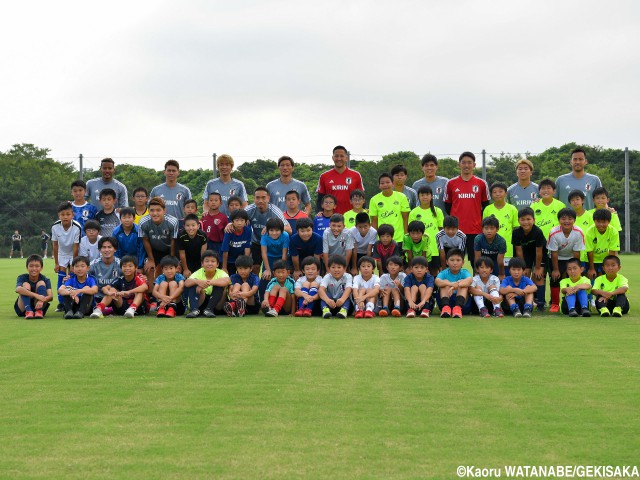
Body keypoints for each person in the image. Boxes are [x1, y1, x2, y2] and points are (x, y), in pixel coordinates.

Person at [445, 152, 490, 262]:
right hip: (456, 230)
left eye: (469, 163)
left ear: (474, 165)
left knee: (476, 261)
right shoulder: (451, 183)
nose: (466, 165)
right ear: (458, 164)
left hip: (475, 229)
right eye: (463, 162)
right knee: (454, 260)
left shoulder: (481, 183)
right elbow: (447, 205)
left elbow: (485, 206)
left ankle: (475, 279)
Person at [239, 187, 291, 275]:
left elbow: (289, 229)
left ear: (268, 198)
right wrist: (230, 224)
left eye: (263, 197)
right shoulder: (249, 209)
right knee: (255, 267)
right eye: (257, 198)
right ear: (254, 198)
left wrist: (270, 227)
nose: (260, 200)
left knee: (277, 268)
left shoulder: (274, 211)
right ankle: (255, 286)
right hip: (256, 241)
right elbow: (237, 218)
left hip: (271, 243)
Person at [547, 208, 586, 313]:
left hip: (571, 258)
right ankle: (555, 303)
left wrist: (575, 269)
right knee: (555, 279)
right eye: (563, 218)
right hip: (557, 258)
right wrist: (555, 270)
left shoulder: (578, 232)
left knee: (573, 279)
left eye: (570, 218)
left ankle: (575, 302)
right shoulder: (554, 232)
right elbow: (554, 252)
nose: (566, 221)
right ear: (559, 220)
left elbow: (576, 252)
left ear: (574, 220)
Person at [511, 207, 546, 310]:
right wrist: (524, 267)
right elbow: (518, 250)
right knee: (524, 275)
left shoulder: (538, 232)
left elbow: (539, 252)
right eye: (522, 219)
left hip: (539, 254)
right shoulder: (516, 232)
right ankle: (523, 301)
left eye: (528, 219)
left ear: (534, 220)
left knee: (538, 276)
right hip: (524, 254)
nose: (525, 222)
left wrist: (538, 267)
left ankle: (540, 303)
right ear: (518, 221)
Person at [139, 196, 179, 285]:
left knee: (173, 268)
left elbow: (174, 241)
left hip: (169, 250)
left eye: (158, 210)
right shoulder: (143, 222)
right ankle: (152, 295)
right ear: (148, 210)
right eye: (152, 210)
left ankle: (173, 292)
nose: (155, 213)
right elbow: (145, 240)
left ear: (164, 211)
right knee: (150, 269)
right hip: (154, 250)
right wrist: (151, 259)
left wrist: (172, 259)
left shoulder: (173, 221)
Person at [316, 145, 365, 214]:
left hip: (352, 217)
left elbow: (361, 196)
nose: (339, 158)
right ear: (333, 158)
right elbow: (320, 198)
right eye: (336, 156)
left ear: (346, 158)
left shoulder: (356, 175)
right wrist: (319, 211)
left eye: (341, 156)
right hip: (331, 218)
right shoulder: (324, 176)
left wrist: (364, 211)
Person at [52, 202, 82, 311]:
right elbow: (55, 245)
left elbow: (76, 247)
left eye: (68, 214)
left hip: (73, 254)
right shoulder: (55, 226)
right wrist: (56, 263)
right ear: (59, 216)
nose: (65, 217)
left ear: (72, 215)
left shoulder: (77, 227)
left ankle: (72, 300)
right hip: (61, 254)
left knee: (72, 277)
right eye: (63, 214)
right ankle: (61, 303)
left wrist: (74, 264)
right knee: (61, 277)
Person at [409, 185, 445, 276]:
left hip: (434, 247)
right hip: (420, 248)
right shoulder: (414, 212)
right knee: (420, 272)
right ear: (418, 197)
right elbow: (411, 232)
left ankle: (434, 290)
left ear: (431, 196)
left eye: (427, 194)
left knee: (434, 271)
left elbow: (441, 230)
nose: (425, 197)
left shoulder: (438, 211)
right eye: (422, 195)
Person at [184, 250, 231, 318]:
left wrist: (209, 282)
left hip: (216, 303)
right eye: (207, 261)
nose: (209, 263)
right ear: (202, 264)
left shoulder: (221, 272)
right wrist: (197, 282)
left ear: (217, 264)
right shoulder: (198, 272)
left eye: (213, 261)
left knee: (220, 286)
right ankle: (194, 310)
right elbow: (186, 283)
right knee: (193, 284)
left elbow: (227, 281)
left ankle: (209, 309)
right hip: (201, 301)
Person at [483, 182, 519, 268]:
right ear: (491, 194)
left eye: (500, 191)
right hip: (491, 249)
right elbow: (484, 228)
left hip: (508, 248)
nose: (497, 194)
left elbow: (516, 228)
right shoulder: (488, 209)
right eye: (494, 192)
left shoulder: (512, 209)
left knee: (506, 273)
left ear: (506, 193)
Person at [369, 173, 410, 244]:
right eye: (382, 183)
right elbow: (374, 222)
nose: (385, 185)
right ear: (379, 185)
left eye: (388, 182)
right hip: (382, 239)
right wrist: (375, 240)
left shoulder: (402, 197)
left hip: (399, 238)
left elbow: (406, 219)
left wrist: (406, 237)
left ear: (393, 183)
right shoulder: (374, 200)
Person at [435, 248, 472, 318]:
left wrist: (457, 285)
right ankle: (446, 308)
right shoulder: (444, 273)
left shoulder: (464, 272)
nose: (455, 263)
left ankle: (457, 308)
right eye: (452, 260)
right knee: (444, 283)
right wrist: (450, 284)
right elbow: (437, 281)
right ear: (447, 262)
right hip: (445, 301)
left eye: (458, 260)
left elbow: (469, 280)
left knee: (463, 285)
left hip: (462, 304)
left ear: (463, 262)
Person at [585, 209, 620, 280]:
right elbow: (589, 251)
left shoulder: (613, 232)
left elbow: (612, 252)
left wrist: (609, 267)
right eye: (598, 222)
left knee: (607, 280)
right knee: (591, 281)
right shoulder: (589, 232)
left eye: (604, 222)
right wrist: (591, 268)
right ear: (594, 221)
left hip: (606, 260)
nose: (601, 225)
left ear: (609, 222)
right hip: (591, 260)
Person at [15, 254, 53, 319]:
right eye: (31, 266)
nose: (34, 269)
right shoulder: (22, 277)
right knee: (26, 285)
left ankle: (38, 311)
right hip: (23, 308)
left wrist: (41, 300)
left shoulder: (45, 279)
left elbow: (50, 297)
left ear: (41, 268)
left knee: (41, 283)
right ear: (27, 267)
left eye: (37, 266)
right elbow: (18, 289)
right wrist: (36, 295)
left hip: (39, 307)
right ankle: (28, 311)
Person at [88, 237, 123, 306]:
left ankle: (101, 309)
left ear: (115, 249)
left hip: (114, 297)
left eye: (109, 247)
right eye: (104, 247)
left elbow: (131, 276)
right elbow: (82, 274)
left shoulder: (120, 264)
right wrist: (71, 277)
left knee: (112, 290)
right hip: (97, 297)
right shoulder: (94, 264)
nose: (107, 250)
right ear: (99, 250)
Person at [220, 209, 252, 275]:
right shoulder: (229, 231)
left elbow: (247, 248)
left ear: (246, 221)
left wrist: (246, 264)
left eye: (242, 220)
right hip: (229, 260)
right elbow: (225, 250)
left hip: (240, 260)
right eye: (237, 220)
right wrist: (224, 267)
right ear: (232, 221)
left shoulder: (248, 231)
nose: (239, 223)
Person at [177, 213, 208, 279]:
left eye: (193, 225)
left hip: (199, 259)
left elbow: (203, 252)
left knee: (200, 277)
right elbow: (182, 254)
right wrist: (185, 269)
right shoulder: (181, 236)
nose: (191, 228)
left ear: (198, 226)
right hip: (187, 260)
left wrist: (202, 266)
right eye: (188, 226)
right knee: (187, 277)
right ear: (184, 226)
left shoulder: (202, 235)